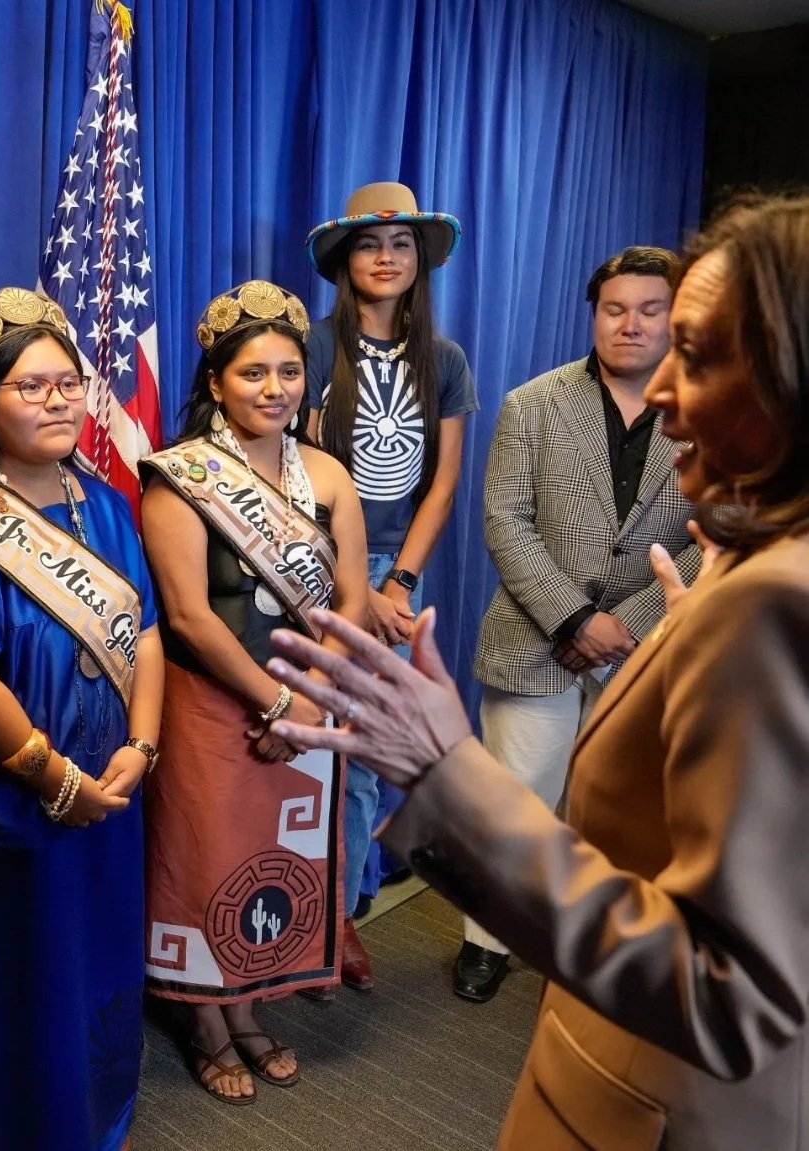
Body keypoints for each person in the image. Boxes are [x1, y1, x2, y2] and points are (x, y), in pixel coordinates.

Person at [267, 193, 809, 1151]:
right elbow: (503, 519)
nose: (669, 391)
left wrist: (442, 768)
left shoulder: (774, 601)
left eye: (699, 351)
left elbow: (730, 994)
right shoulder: (753, 568)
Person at [0, 288, 163, 1151]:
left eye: (67, 384)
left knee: (89, 968)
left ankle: (83, 1122)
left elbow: (147, 636)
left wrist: (142, 747)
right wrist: (55, 783)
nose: (55, 400)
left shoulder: (107, 506)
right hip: (5, 808)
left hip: (108, 794)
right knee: (3, 984)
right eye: (28, 386)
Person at [138, 280, 370, 1103]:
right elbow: (190, 619)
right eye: (251, 374)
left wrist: (309, 698)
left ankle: (249, 1005)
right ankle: (205, 1018)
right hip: (211, 705)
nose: (273, 389)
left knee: (273, 858)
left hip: (306, 700)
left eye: (288, 371)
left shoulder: (331, 475)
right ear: (214, 384)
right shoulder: (178, 479)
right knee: (204, 858)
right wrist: (275, 704)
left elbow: (351, 603)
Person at [458, 246, 699, 1002]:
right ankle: (487, 940)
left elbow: (717, 532)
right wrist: (571, 615)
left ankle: (589, 945)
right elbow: (504, 519)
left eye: (648, 310)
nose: (628, 324)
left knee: (622, 811)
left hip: (648, 639)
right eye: (612, 308)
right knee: (515, 801)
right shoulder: (532, 402)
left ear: (675, 317)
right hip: (536, 636)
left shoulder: (708, 406)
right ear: (593, 314)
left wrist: (621, 622)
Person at [302, 182, 479, 993]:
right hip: (311, 565)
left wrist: (396, 579)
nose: (384, 257)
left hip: (391, 574)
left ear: (418, 260)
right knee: (300, 741)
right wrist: (349, 581)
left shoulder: (442, 360)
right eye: (370, 245)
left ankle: (340, 913)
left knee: (366, 753)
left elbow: (440, 483)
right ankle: (292, 911)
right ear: (345, 259)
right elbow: (293, 471)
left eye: (400, 245)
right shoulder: (305, 347)